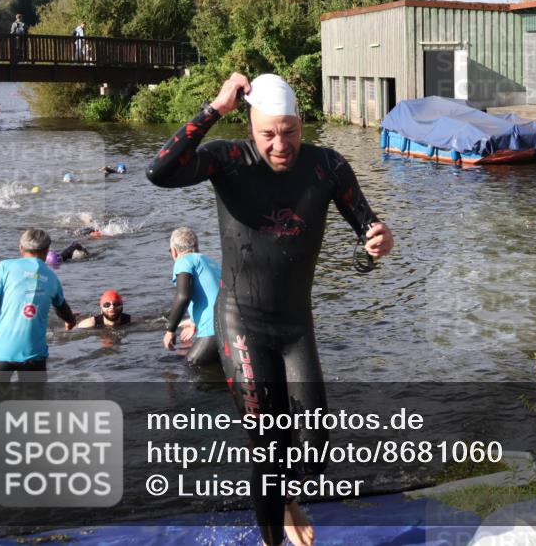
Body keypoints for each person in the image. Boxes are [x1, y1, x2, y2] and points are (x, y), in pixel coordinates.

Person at [147, 72, 393, 546]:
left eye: (291, 131)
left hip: (296, 326)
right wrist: (214, 110)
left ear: (301, 123)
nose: (281, 144)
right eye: (268, 134)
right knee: (267, 449)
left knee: (316, 447)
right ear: (251, 127)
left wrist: (378, 241)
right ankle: (271, 538)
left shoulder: (327, 167)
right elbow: (159, 172)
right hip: (242, 325)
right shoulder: (229, 159)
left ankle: (287, 498)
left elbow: (367, 229)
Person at [0, 228, 77, 381]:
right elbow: (62, 308)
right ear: (47, 250)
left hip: (1, 351)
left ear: (21, 248)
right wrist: (70, 321)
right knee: (31, 404)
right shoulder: (52, 278)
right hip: (34, 354)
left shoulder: (4, 268)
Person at [162, 227, 221, 366]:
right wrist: (194, 322)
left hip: (212, 329)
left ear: (175, 251)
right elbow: (212, 293)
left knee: (190, 368)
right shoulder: (210, 261)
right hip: (228, 325)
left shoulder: (183, 261)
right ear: (197, 246)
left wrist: (170, 330)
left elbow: (183, 296)